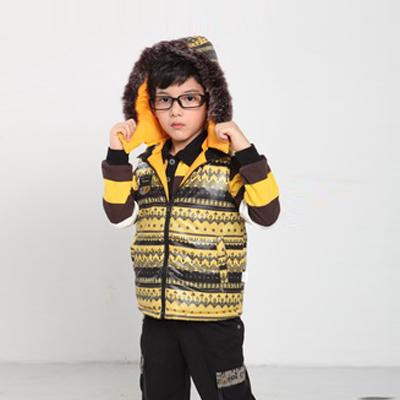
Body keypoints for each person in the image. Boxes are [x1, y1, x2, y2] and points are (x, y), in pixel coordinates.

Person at [101, 35, 280, 400]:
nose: (176, 112)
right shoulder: (145, 166)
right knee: (159, 393)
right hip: (158, 316)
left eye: (189, 99)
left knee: (229, 394)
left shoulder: (229, 165)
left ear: (211, 100)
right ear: (149, 106)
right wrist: (117, 155)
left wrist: (245, 151)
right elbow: (118, 215)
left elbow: (266, 213)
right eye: (164, 100)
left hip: (212, 317)